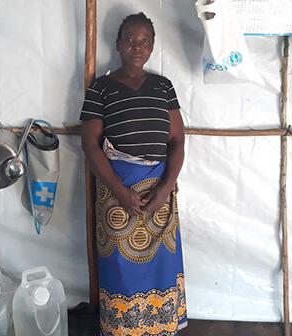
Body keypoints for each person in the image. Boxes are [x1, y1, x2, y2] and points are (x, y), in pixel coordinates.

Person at [80, 12, 187, 336]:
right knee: (119, 266)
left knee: (162, 266)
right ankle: (121, 330)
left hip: (160, 190)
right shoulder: (101, 88)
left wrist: (166, 187)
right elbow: (90, 146)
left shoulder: (163, 86)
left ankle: (161, 327)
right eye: (130, 40)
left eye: (144, 41)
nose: (137, 47)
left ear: (152, 46)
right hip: (116, 191)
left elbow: (177, 140)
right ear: (118, 44)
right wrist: (119, 191)